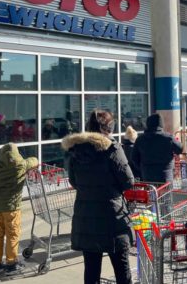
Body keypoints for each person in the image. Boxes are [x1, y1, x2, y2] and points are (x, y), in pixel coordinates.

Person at [62, 110, 134, 284]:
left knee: (91, 270)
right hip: (112, 218)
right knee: (122, 269)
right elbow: (128, 181)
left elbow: (73, 181)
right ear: (108, 128)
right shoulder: (112, 149)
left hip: (85, 217)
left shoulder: (76, 150)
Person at [0, 143, 38, 276]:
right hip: (11, 208)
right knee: (12, 235)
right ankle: (11, 264)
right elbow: (35, 160)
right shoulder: (21, 165)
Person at [132, 113, 183, 183]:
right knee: (165, 190)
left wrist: (142, 168)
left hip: (147, 175)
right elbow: (180, 149)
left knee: (150, 190)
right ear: (161, 125)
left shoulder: (140, 139)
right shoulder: (168, 138)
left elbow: (134, 158)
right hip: (165, 175)